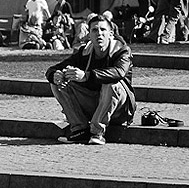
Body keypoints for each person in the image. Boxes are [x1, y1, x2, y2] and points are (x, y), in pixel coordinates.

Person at [46, 15, 136, 146]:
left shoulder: (122, 50)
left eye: (103, 30)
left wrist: (86, 76)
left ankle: (97, 132)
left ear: (110, 33)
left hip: (119, 108)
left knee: (111, 84)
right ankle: (79, 129)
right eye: (95, 30)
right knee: (58, 83)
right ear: (89, 34)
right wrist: (54, 75)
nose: (99, 34)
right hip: (95, 102)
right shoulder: (85, 52)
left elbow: (119, 72)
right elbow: (55, 68)